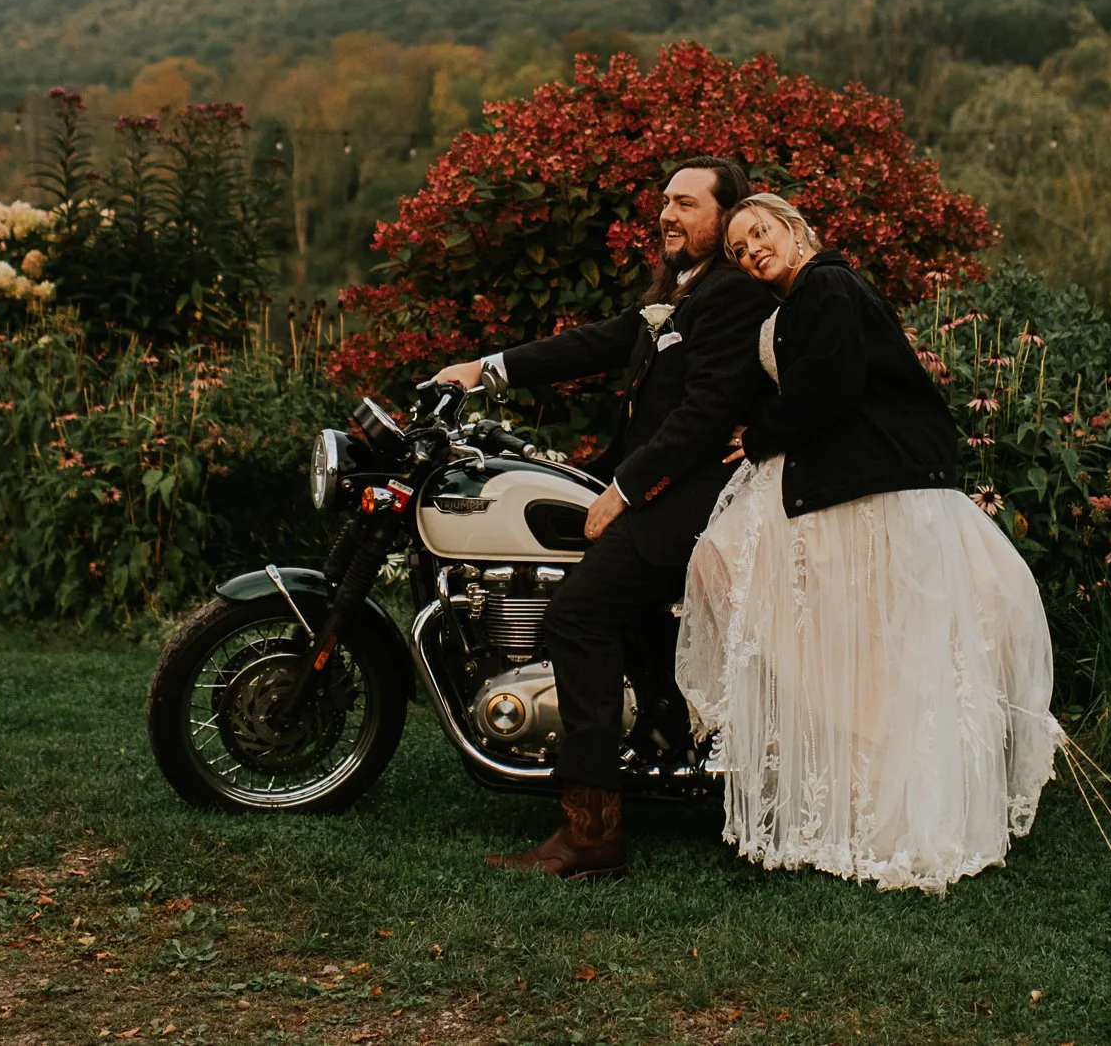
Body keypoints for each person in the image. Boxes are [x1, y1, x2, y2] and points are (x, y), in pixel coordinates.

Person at [674, 192, 1058, 893]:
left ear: (795, 229)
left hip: (865, 488)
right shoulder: (804, 297)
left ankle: (879, 803)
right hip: (847, 482)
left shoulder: (828, 284)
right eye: (737, 248)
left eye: (760, 232)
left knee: (857, 645)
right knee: (862, 648)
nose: (751, 249)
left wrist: (761, 437)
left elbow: (831, 385)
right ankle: (849, 794)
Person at [434, 156, 771, 882]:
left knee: (576, 618)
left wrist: (623, 487)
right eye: (665, 202)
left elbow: (706, 413)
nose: (668, 214)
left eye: (686, 202)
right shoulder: (681, 292)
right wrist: (483, 368)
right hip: (665, 487)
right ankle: (654, 731)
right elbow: (598, 340)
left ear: (725, 213)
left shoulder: (733, 293)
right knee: (613, 614)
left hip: (693, 495)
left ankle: (592, 833)